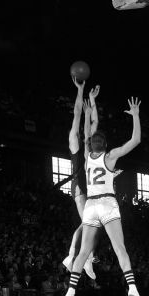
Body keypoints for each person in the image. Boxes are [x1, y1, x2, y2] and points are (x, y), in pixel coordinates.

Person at [64, 97, 145, 296]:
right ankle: (133, 289)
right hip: (107, 204)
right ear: (106, 144)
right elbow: (135, 140)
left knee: (83, 252)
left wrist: (89, 111)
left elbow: (86, 134)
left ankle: (70, 293)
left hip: (90, 205)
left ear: (91, 144)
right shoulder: (110, 156)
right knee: (120, 249)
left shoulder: (86, 156)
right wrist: (135, 115)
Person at [61, 77, 98, 280]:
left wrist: (92, 103)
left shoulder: (89, 147)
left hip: (89, 188)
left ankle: (80, 258)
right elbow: (77, 112)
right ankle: (78, 257)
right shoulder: (75, 146)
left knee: (89, 223)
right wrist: (80, 90)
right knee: (88, 223)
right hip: (80, 187)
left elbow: (94, 123)